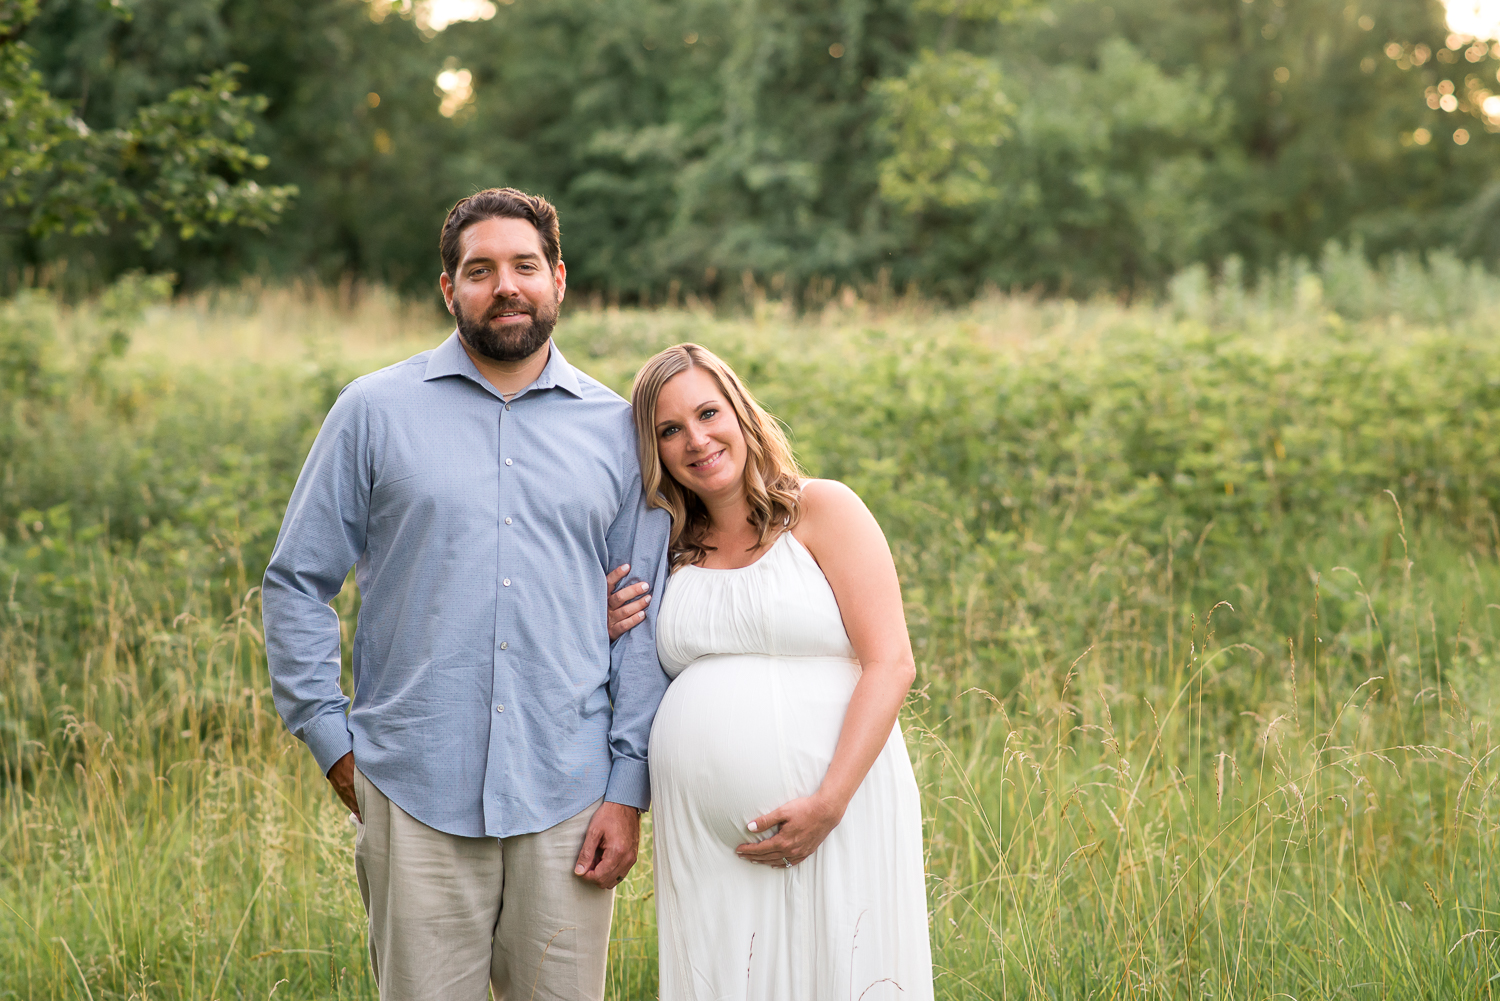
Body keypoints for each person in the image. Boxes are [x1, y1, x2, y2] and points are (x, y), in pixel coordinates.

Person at [262, 187, 671, 1001]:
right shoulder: (374, 410)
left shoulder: (615, 429)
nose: (505, 286)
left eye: (524, 265)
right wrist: (329, 738)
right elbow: (298, 580)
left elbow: (642, 622)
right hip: (411, 787)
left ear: (559, 278)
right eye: (479, 270)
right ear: (449, 289)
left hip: (569, 793)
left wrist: (628, 789)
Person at [615, 343, 934, 999]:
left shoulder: (823, 510)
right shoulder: (664, 546)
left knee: (845, 970)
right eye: (669, 430)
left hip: (839, 809)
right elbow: (631, 671)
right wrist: (609, 622)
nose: (696, 439)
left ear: (741, 410)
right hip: (708, 846)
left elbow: (891, 662)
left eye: (708, 412)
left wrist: (829, 802)